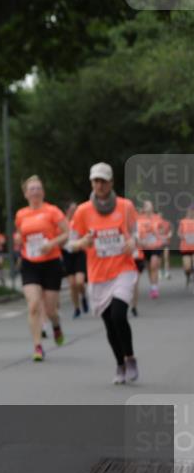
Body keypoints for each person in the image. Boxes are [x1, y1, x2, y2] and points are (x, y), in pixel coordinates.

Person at [66, 163, 140, 384]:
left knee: (119, 315)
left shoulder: (126, 207)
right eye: (95, 181)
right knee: (109, 323)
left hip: (123, 269)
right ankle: (120, 364)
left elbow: (138, 233)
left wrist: (133, 242)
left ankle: (131, 358)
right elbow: (70, 244)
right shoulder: (82, 211)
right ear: (91, 183)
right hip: (98, 274)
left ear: (111, 183)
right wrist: (82, 242)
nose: (99, 185)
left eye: (103, 181)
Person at [13, 176, 68, 362]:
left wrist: (52, 243)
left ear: (43, 192)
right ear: (26, 193)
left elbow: (68, 234)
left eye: (38, 188)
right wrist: (18, 240)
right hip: (30, 263)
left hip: (51, 263)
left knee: (50, 309)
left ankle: (56, 325)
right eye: (32, 189)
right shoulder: (21, 214)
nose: (35, 192)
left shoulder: (52, 211)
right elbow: (20, 236)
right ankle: (38, 346)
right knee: (34, 304)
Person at [136, 200, 171, 299]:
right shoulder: (139, 218)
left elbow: (163, 230)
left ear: (152, 207)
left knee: (154, 265)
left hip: (156, 245)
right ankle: (153, 286)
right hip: (144, 246)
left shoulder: (157, 218)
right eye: (146, 205)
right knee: (149, 268)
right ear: (143, 208)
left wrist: (162, 236)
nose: (148, 207)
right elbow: (136, 232)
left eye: (150, 205)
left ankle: (155, 287)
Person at [62, 201, 89, 318]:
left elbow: (87, 235)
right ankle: (77, 308)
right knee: (72, 284)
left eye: (76, 209)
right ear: (67, 211)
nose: (75, 211)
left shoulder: (81, 220)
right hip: (67, 254)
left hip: (79, 253)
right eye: (73, 209)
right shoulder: (62, 222)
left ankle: (83, 296)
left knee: (80, 282)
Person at [179, 206, 194, 289]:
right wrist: (183, 236)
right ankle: (188, 276)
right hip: (185, 247)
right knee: (187, 267)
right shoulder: (183, 221)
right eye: (191, 211)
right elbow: (179, 233)